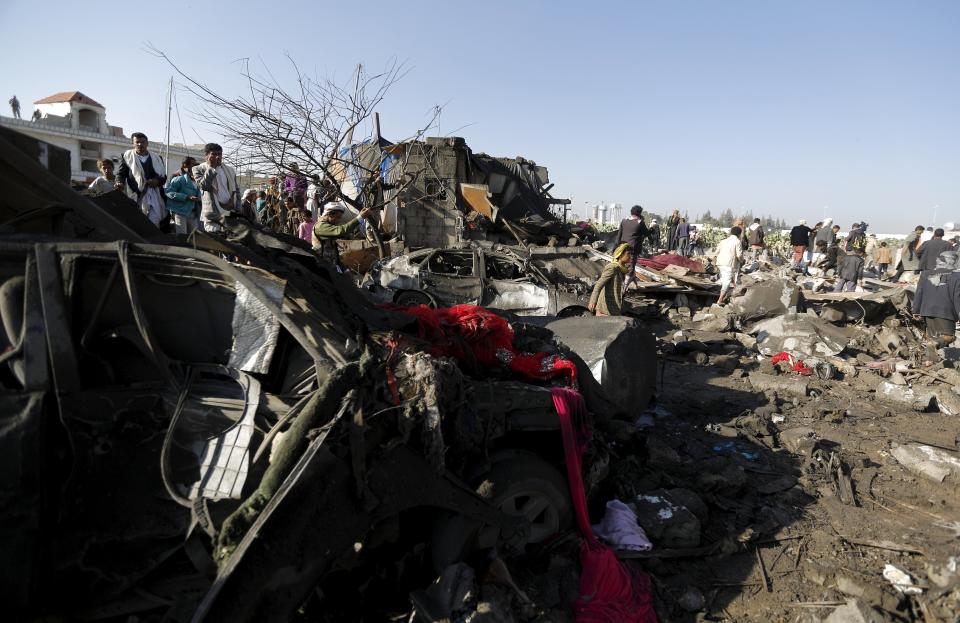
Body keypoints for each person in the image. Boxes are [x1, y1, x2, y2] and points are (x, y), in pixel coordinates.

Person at [116, 132, 167, 227]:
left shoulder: (157, 158)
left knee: (154, 221)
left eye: (143, 142)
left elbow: (163, 177)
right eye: (137, 142)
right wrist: (119, 182)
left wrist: (157, 181)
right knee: (138, 223)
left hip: (155, 194)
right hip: (136, 195)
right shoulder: (127, 157)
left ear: (147, 143)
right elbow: (121, 174)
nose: (140, 144)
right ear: (133, 143)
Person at [192, 143, 239, 233]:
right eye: (214, 154)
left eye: (219, 154)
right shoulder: (198, 169)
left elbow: (236, 190)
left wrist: (235, 206)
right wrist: (211, 167)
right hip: (213, 215)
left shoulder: (229, 170)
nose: (217, 157)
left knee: (229, 243)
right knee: (215, 242)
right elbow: (204, 186)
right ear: (206, 156)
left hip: (230, 212)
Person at [914, 251, 958, 346]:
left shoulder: (925, 274)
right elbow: (957, 297)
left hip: (927, 310)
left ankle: (929, 360)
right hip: (946, 312)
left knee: (932, 337)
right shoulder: (957, 276)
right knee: (949, 336)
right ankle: (933, 345)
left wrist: (916, 310)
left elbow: (919, 293)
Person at [312, 202, 371, 269]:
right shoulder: (320, 226)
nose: (339, 220)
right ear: (330, 214)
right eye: (338, 217)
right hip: (322, 266)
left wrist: (343, 268)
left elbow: (334, 251)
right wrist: (360, 217)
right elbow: (341, 231)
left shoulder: (328, 226)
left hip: (330, 264)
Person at [588, 243, 632, 316]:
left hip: (614, 308)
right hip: (605, 309)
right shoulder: (612, 268)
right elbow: (598, 285)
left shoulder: (622, 269)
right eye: (628, 254)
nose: (630, 256)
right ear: (620, 255)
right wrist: (593, 302)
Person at [163, 157, 201, 234]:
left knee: (195, 236)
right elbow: (169, 192)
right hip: (180, 212)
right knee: (182, 236)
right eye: (192, 165)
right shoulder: (179, 179)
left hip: (193, 213)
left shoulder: (199, 183)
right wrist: (186, 197)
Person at [615, 205, 648, 287]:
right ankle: (625, 286)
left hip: (622, 247)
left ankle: (630, 281)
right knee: (631, 265)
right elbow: (646, 233)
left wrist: (616, 247)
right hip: (633, 248)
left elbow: (619, 235)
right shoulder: (639, 222)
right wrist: (651, 230)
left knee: (622, 264)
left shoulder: (624, 221)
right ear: (639, 213)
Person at [716, 226, 743, 306]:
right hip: (729, 264)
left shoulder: (723, 241)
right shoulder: (737, 242)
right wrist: (742, 261)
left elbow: (717, 251)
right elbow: (739, 255)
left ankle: (724, 297)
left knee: (725, 279)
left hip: (720, 262)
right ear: (739, 234)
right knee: (726, 282)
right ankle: (720, 300)